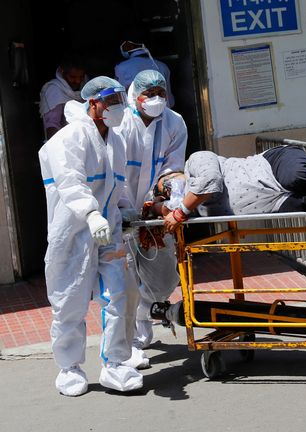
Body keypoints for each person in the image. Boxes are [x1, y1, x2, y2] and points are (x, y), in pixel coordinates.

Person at [38, 76, 143, 396]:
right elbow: (70, 183)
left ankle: (115, 363)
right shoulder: (68, 139)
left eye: (121, 101)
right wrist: (90, 212)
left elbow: (118, 182)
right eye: (112, 102)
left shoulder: (118, 139)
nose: (119, 108)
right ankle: (69, 368)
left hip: (107, 229)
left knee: (118, 294)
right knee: (70, 299)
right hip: (72, 232)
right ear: (93, 103)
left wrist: (123, 210)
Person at [153, 147, 306, 232]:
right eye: (165, 191)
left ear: (177, 172)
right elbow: (164, 210)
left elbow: (210, 182)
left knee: (299, 177)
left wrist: (180, 211)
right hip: (272, 203)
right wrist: (158, 205)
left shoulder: (196, 161)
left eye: (166, 182)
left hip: (273, 165)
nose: (169, 188)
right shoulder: (192, 207)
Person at [119, 70, 186, 367]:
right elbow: (113, 169)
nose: (157, 99)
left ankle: (146, 316)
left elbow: (172, 168)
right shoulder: (121, 122)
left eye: (162, 92)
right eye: (151, 94)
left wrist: (165, 200)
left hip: (152, 209)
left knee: (161, 270)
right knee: (125, 273)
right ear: (136, 96)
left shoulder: (174, 122)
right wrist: (120, 208)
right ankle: (130, 341)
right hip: (120, 207)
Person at [39, 53, 87, 139]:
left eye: (81, 77)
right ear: (62, 72)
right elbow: (52, 125)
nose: (78, 81)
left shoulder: (87, 84)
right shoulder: (54, 90)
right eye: (73, 77)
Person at [115, 40, 174, 108]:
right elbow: (170, 101)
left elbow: (120, 98)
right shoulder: (163, 66)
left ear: (130, 45)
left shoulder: (121, 67)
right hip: (164, 113)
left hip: (136, 115)